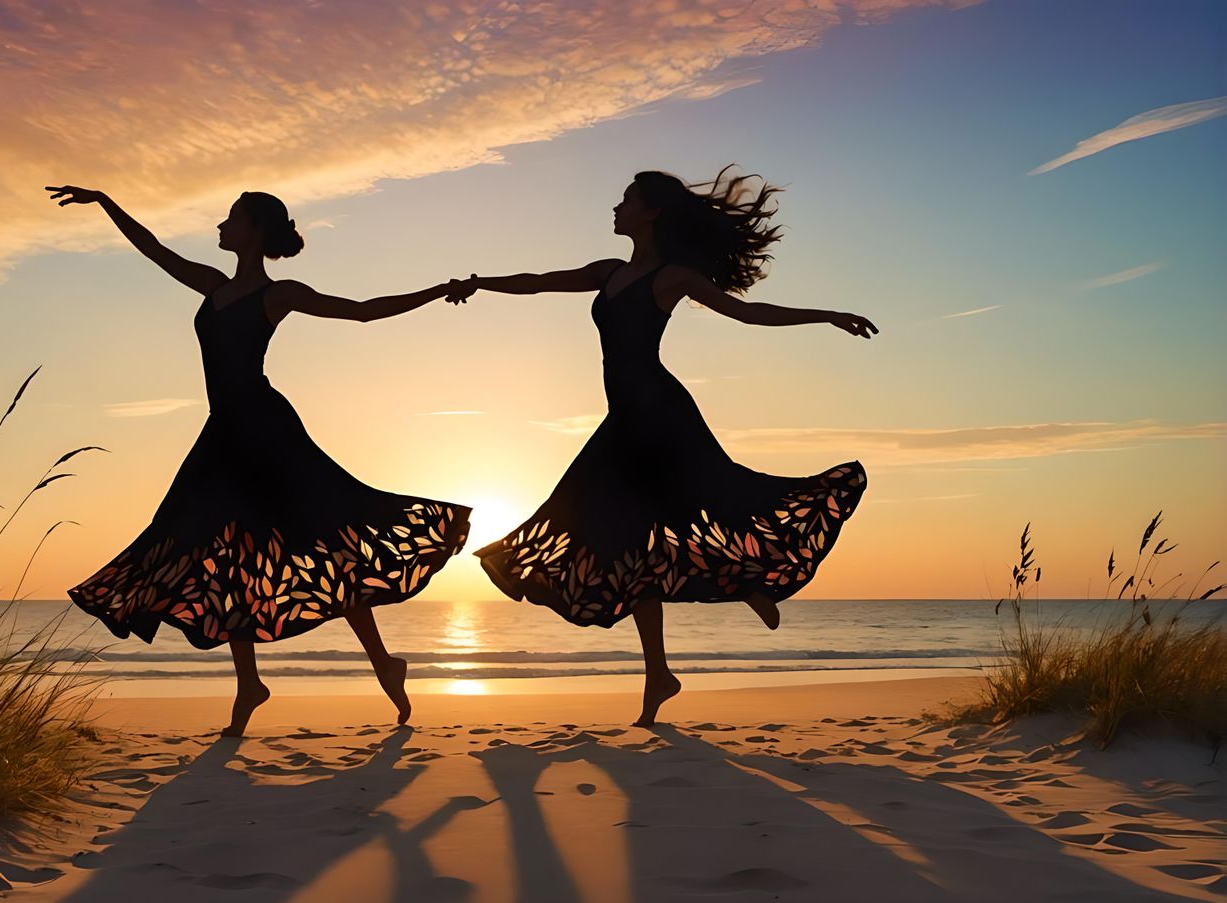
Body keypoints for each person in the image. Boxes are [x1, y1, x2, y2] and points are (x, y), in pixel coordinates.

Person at [451, 167, 874, 726]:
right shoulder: (609, 271)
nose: (616, 207)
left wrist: (827, 316)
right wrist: (480, 283)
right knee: (632, 543)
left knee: (697, 505)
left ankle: (745, 583)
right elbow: (541, 280)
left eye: (626, 199)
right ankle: (662, 671)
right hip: (625, 418)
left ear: (650, 212)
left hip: (660, 412)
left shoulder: (673, 276)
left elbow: (747, 313)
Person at [48, 185, 472, 736]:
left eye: (231, 218)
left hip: (267, 432)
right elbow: (152, 249)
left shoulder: (278, 294)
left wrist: (440, 290)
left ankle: (382, 662)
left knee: (326, 541)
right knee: (219, 550)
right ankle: (250, 683)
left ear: (253, 230)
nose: (220, 226)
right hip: (223, 435)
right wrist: (105, 201)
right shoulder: (212, 284)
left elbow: (363, 313)